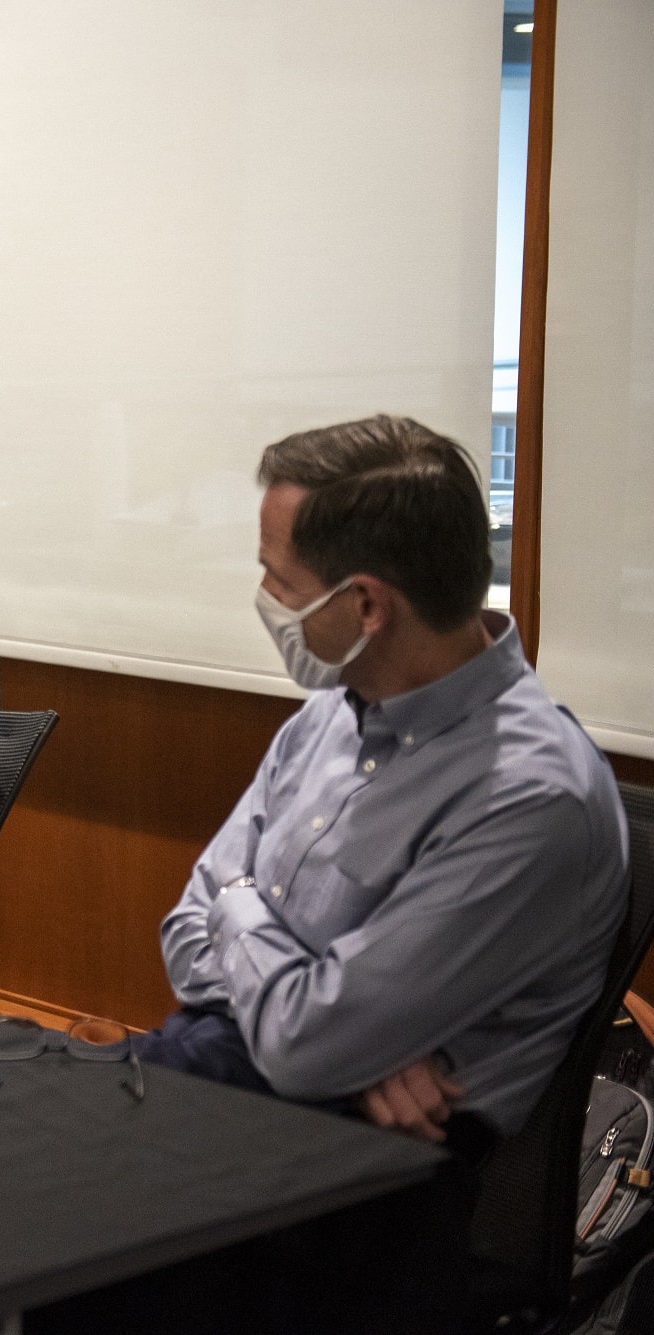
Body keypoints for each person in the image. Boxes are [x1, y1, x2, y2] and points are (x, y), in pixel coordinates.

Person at [117, 414, 630, 1332]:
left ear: (366, 606)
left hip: (359, 1192)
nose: (265, 594)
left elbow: (300, 1041)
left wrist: (258, 940)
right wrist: (318, 1013)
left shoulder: (532, 796)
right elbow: (185, 936)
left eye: (279, 578)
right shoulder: (330, 714)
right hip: (232, 1105)